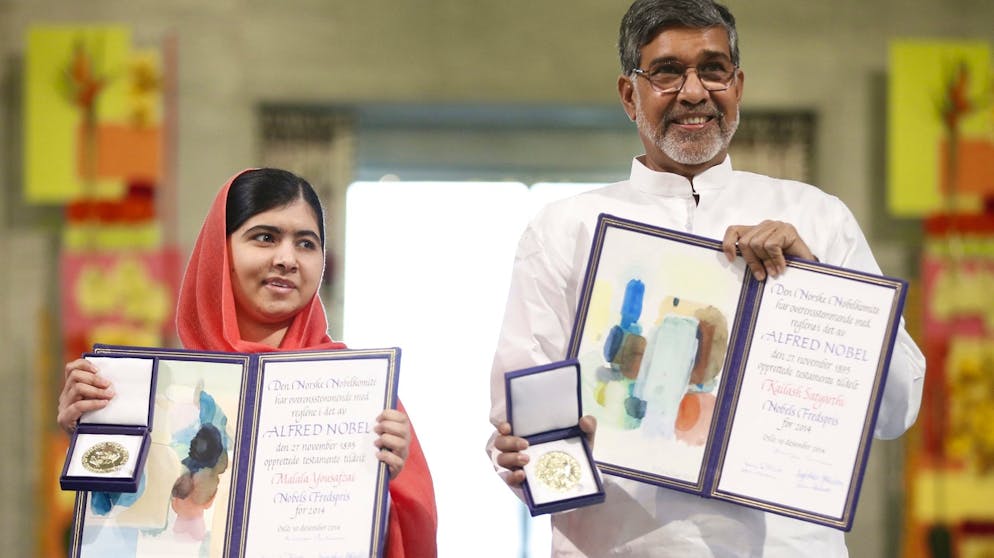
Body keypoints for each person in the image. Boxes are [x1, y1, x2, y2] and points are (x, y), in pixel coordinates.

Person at [487, 1, 925, 556]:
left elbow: (897, 409)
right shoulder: (565, 231)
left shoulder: (818, 218)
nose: (694, 92)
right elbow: (526, 427)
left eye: (713, 69)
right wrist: (530, 458)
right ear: (630, 95)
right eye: (668, 72)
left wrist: (817, 289)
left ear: (737, 85)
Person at [58, 168, 438, 557]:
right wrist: (91, 431)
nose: (287, 259)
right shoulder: (162, 389)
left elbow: (410, 534)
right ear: (220, 252)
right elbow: (116, 530)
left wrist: (379, 487)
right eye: (265, 237)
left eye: (306, 243)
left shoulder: (360, 393)